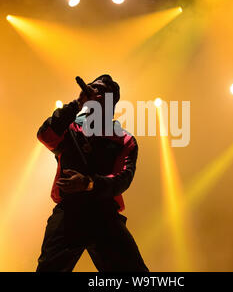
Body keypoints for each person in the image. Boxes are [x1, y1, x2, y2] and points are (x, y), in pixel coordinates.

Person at [36, 74, 149, 272]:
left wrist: (89, 184)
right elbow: (45, 135)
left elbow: (123, 180)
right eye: (91, 88)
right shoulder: (71, 129)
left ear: (111, 101)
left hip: (103, 213)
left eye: (101, 90)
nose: (93, 91)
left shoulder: (124, 140)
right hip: (69, 212)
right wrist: (77, 103)